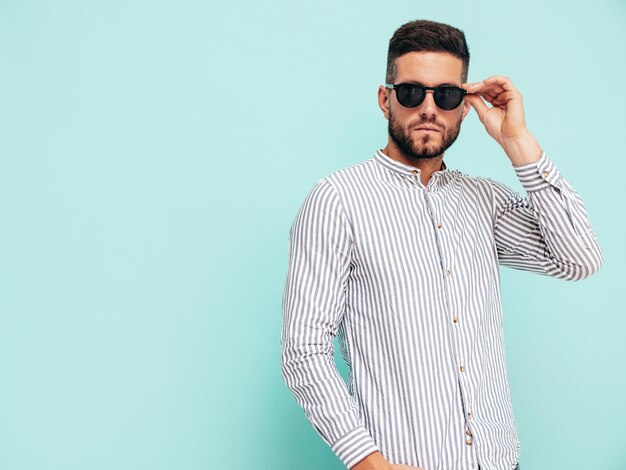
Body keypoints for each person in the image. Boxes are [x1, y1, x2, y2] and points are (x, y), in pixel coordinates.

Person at [280, 19, 603, 470]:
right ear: (385, 99)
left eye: (446, 95)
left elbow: (579, 259)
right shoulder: (338, 200)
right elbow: (304, 350)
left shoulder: (483, 201)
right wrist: (367, 462)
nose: (428, 108)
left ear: (465, 106)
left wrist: (518, 142)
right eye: (412, 92)